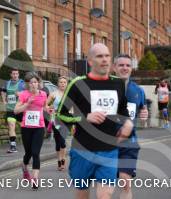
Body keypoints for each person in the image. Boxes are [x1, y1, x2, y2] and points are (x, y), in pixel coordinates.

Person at [57, 43, 133, 199]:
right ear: (90, 62)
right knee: (82, 194)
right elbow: (61, 114)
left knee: (105, 195)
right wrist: (84, 118)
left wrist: (128, 123)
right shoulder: (78, 84)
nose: (105, 60)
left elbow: (123, 111)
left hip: (109, 150)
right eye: (100, 56)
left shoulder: (118, 84)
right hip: (83, 150)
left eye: (107, 56)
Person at [113, 54, 148, 199]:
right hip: (106, 142)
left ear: (131, 68)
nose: (125, 68)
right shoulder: (105, 88)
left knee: (125, 183)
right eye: (121, 65)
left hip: (129, 143)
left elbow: (143, 112)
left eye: (128, 65)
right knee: (105, 186)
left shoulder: (138, 91)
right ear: (114, 67)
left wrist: (144, 116)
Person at [14, 72, 48, 190]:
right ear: (28, 84)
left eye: (35, 82)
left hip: (39, 127)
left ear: (38, 83)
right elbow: (16, 111)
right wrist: (27, 104)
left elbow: (44, 107)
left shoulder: (43, 94)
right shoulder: (24, 94)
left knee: (35, 153)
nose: (33, 84)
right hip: (26, 128)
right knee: (28, 153)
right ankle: (24, 166)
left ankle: (35, 179)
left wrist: (49, 110)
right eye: (31, 82)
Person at [47, 76, 68, 171]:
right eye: (61, 82)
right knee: (58, 141)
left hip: (66, 121)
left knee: (63, 141)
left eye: (64, 82)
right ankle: (59, 160)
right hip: (56, 120)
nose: (63, 84)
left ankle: (63, 159)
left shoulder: (69, 95)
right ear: (58, 84)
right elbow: (46, 106)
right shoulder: (53, 94)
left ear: (66, 84)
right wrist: (50, 109)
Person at [1, 69, 25, 153]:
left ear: (18, 75)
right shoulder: (7, 83)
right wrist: (4, 101)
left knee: (25, 127)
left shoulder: (22, 84)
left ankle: (27, 142)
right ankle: (13, 145)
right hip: (10, 109)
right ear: (11, 74)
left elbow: (28, 94)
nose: (15, 75)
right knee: (11, 125)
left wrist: (20, 94)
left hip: (20, 109)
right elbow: (3, 92)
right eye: (13, 73)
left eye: (17, 74)